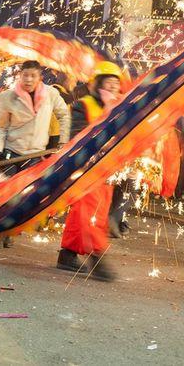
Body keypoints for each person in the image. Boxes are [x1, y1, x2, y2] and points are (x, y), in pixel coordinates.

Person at [57, 61, 124, 281]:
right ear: (97, 84)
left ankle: (67, 255)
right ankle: (97, 257)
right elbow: (78, 136)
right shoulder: (83, 105)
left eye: (116, 83)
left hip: (107, 169)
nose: (113, 87)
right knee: (90, 212)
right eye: (109, 82)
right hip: (86, 168)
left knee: (86, 212)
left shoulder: (122, 107)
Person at [0, 60, 70, 173]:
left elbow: (64, 115)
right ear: (20, 75)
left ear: (40, 77)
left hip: (36, 156)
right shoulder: (7, 96)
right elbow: (0, 128)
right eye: (25, 75)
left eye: (33, 76)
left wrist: (63, 142)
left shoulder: (51, 93)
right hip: (11, 155)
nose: (28, 79)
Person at [48, 72, 76, 149]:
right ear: (66, 81)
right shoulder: (54, 89)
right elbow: (66, 98)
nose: (75, 84)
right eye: (73, 81)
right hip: (51, 136)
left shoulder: (65, 93)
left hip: (59, 134)